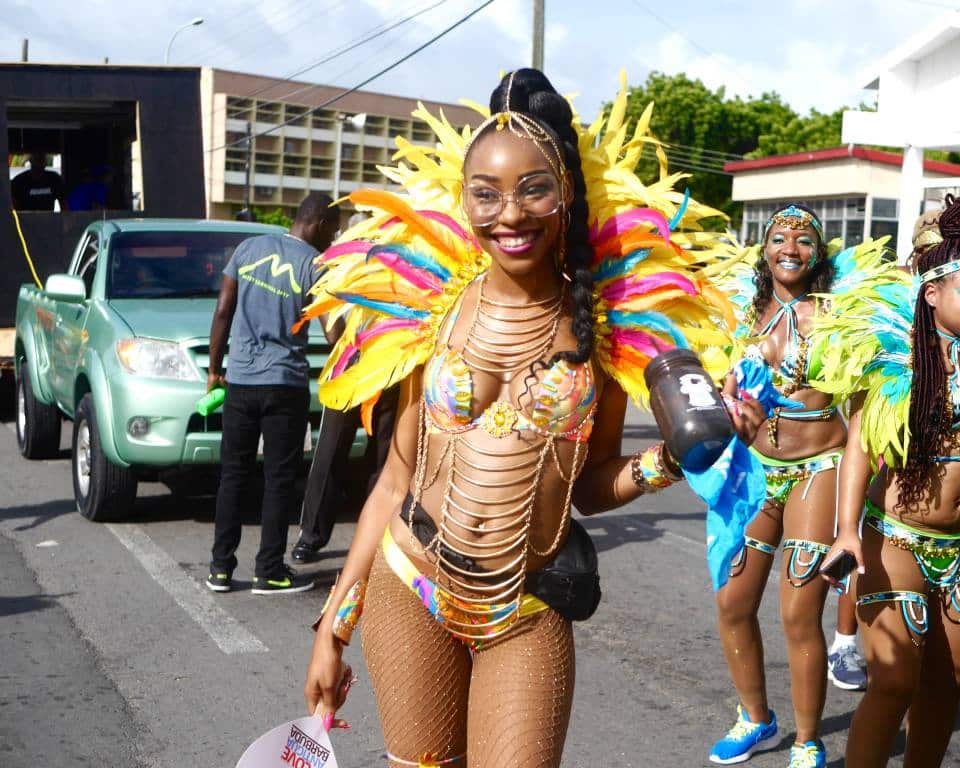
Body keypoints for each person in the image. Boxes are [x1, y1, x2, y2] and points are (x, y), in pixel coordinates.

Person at [300, 69, 765, 766]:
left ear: (566, 194)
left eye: (533, 189)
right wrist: (333, 629)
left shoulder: (605, 333)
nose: (509, 214)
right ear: (464, 201)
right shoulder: (434, 310)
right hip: (411, 581)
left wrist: (666, 462)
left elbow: (585, 488)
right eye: (485, 194)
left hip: (527, 604)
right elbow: (395, 481)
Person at [817, 193, 960, 767]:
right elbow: (858, 448)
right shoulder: (893, 359)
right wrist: (847, 532)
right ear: (932, 294)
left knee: (949, 681)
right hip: (896, 539)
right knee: (894, 683)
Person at [707, 204, 881, 767]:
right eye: (778, 238)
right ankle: (756, 718)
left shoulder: (837, 315)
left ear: (819, 253)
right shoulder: (740, 314)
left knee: (797, 611)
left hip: (818, 469)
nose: (790, 248)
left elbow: (862, 404)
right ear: (763, 249)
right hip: (756, 472)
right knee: (733, 601)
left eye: (804, 240)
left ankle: (808, 739)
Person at [206, 192, 341, 595]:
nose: (332, 240)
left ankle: (220, 569)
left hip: (242, 382)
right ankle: (269, 571)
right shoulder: (316, 266)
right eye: (331, 231)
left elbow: (223, 310)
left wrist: (215, 370)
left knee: (232, 475)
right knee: (278, 479)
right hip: (285, 385)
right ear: (316, 222)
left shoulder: (249, 248)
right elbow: (332, 331)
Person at [291, 385, 400, 563]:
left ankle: (375, 537)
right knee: (330, 450)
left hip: (392, 370)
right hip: (349, 371)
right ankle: (310, 535)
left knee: (383, 457)